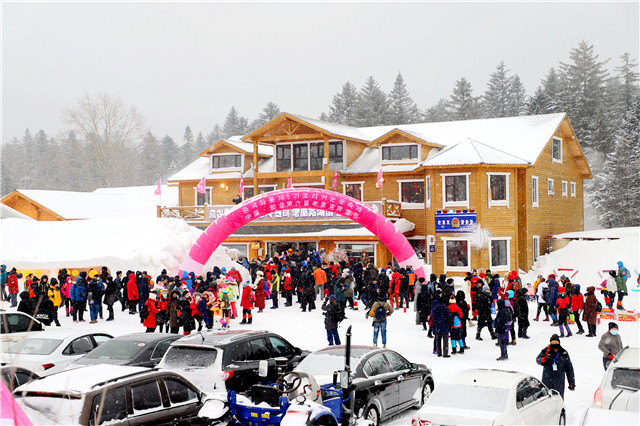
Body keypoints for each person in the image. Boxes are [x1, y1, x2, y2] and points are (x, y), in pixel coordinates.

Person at [536, 334, 576, 399]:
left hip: (559, 381)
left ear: (559, 343)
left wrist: (571, 382)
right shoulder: (546, 351)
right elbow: (538, 359)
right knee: (547, 398)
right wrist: (541, 360)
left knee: (558, 398)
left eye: (556, 343)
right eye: (553, 343)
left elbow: (569, 369)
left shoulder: (564, 353)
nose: (554, 344)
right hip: (547, 380)